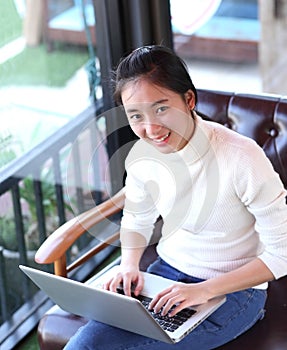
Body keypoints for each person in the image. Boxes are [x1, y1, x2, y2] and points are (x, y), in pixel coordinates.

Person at [64, 45, 287, 349]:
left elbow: (281, 254)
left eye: (161, 108)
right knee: (81, 346)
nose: (150, 128)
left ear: (189, 100)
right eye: (136, 116)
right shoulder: (143, 158)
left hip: (236, 290)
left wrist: (204, 290)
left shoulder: (242, 158)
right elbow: (137, 216)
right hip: (166, 274)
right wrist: (128, 265)